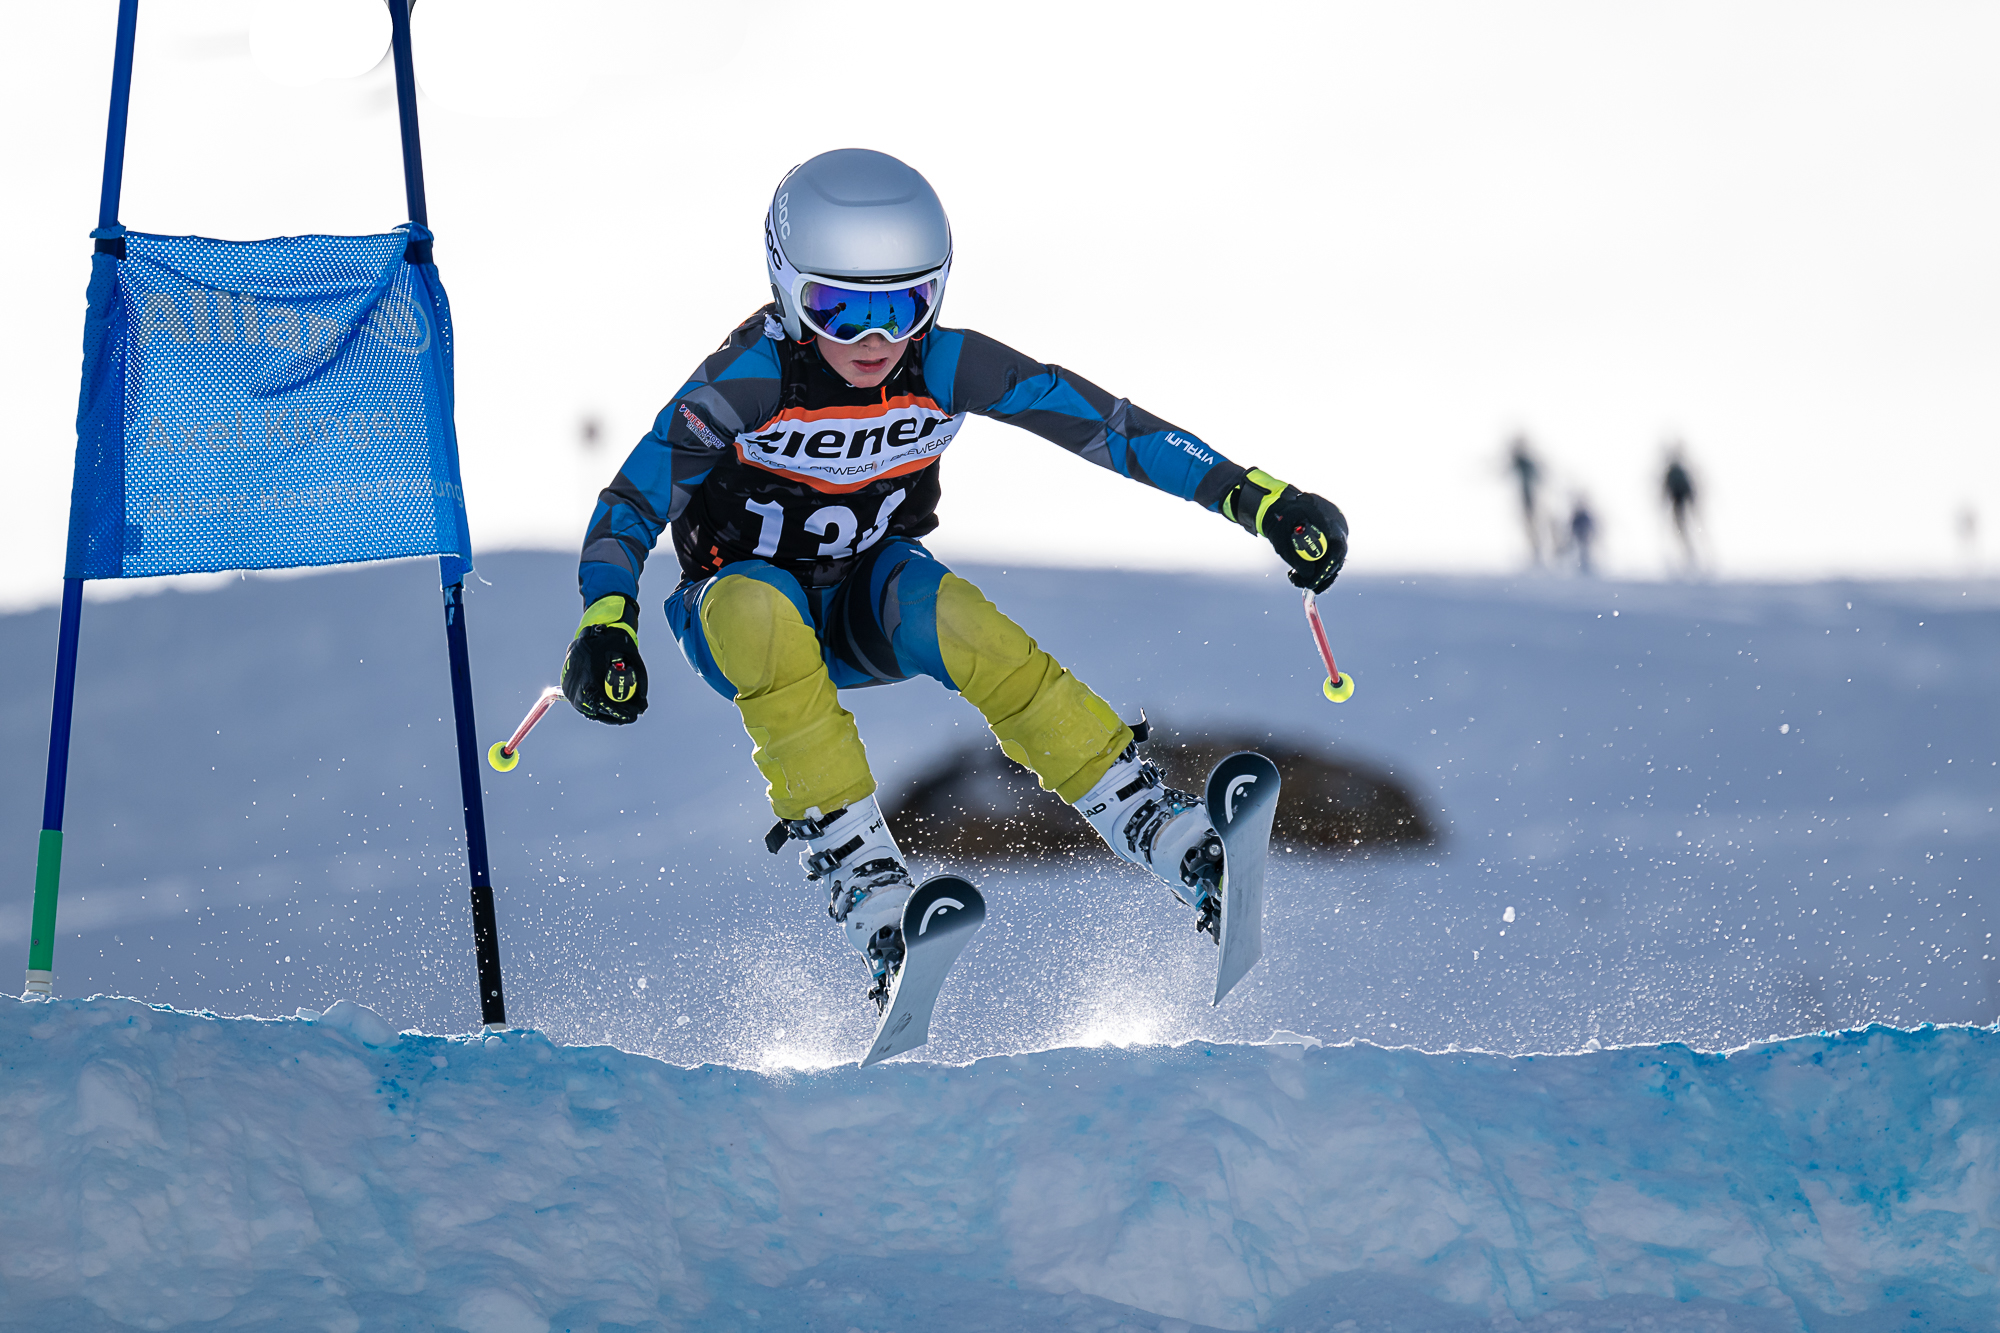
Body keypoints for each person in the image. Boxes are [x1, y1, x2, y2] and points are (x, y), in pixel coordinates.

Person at [562, 149, 1347, 1010]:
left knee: (966, 623)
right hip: (735, 609)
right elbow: (630, 503)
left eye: (903, 307)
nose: (873, 342)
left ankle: (1164, 834)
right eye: (836, 309)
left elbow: (1108, 428)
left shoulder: (944, 365)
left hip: (865, 596)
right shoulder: (748, 381)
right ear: (787, 290)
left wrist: (1257, 498)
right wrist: (607, 619)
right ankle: (872, 893)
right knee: (760, 604)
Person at [1506, 435, 1543, 565]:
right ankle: (1534, 553)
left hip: (1530, 497)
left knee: (1531, 525)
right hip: (1526, 497)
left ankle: (1536, 553)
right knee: (1529, 525)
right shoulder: (1522, 462)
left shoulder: (1525, 462)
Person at [1662, 444, 1698, 569]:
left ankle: (1688, 555)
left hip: (1678, 503)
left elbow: (1667, 488)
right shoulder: (1679, 472)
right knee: (1682, 529)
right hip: (1680, 503)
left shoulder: (1673, 472)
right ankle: (1687, 555)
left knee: (1681, 529)